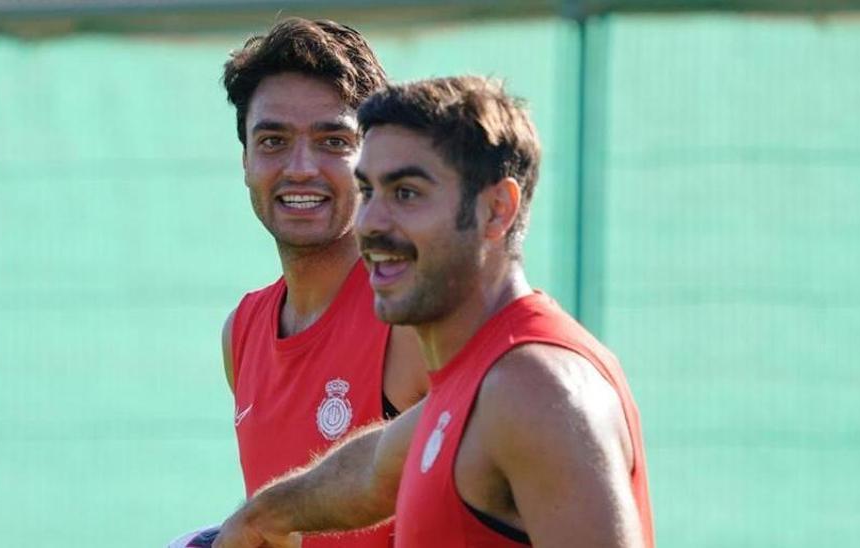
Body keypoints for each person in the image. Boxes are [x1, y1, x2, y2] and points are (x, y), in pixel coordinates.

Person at [215, 76, 654, 547]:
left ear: (497, 210)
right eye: (370, 191)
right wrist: (260, 516)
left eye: (406, 193)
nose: (372, 223)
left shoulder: (535, 385)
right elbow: (372, 472)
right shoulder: (474, 377)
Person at [218, 17, 430, 547]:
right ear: (245, 158)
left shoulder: (414, 312)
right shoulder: (241, 332)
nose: (301, 168)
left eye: (333, 140)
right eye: (273, 140)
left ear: (372, 158)